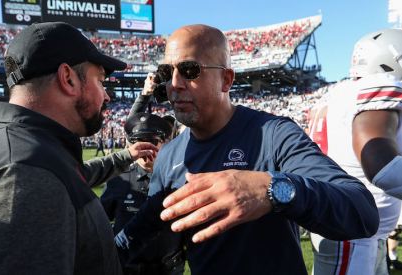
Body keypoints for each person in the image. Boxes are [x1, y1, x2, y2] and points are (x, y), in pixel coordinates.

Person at [114, 24, 379, 274]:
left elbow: (362, 211)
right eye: (165, 73)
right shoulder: (169, 156)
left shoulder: (274, 134)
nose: (174, 84)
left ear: (226, 80)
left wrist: (273, 188)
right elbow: (142, 228)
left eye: (189, 70)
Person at [0, 22, 159, 275]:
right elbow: (43, 183)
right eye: (100, 81)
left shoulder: (26, 149)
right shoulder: (22, 177)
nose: (107, 97)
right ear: (68, 79)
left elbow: (72, 177)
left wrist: (126, 156)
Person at [308, 28, 402, 275]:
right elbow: (380, 163)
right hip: (353, 231)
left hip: (355, 226)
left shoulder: (333, 96)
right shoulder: (379, 84)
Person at [101, 113, 184, 275]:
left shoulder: (179, 179)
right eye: (139, 142)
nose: (146, 148)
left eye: (153, 141)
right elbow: (100, 224)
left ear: (165, 143)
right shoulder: (118, 180)